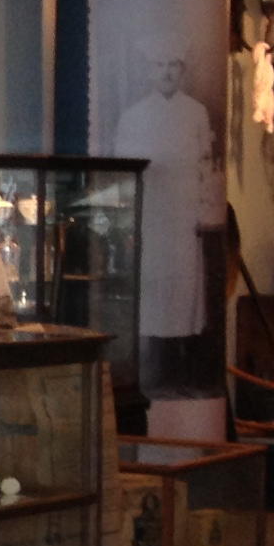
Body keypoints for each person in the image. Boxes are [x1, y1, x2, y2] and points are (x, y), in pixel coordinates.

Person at [110, 47, 222, 343]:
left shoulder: (197, 112)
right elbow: (121, 170)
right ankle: (150, 335)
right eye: (160, 65)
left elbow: (205, 164)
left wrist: (203, 206)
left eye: (173, 65)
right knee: (152, 269)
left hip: (185, 207)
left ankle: (182, 339)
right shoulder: (133, 116)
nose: (167, 72)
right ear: (149, 71)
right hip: (150, 207)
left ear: (182, 71)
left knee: (184, 270)